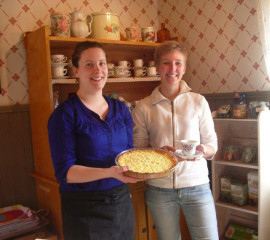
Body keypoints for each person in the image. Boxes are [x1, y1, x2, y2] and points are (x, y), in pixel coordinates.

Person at [48, 41, 141, 240]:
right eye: (89, 64)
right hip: (84, 209)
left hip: (121, 202)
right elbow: (66, 173)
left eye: (102, 63)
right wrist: (110, 172)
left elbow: (128, 156)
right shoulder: (64, 115)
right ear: (76, 71)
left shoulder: (121, 109)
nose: (98, 70)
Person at [132, 41, 219, 240]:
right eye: (166, 63)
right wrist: (159, 155)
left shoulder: (198, 101)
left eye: (178, 63)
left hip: (197, 185)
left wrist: (202, 150)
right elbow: (139, 150)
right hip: (159, 189)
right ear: (157, 67)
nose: (173, 69)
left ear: (185, 68)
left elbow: (212, 144)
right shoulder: (143, 107)